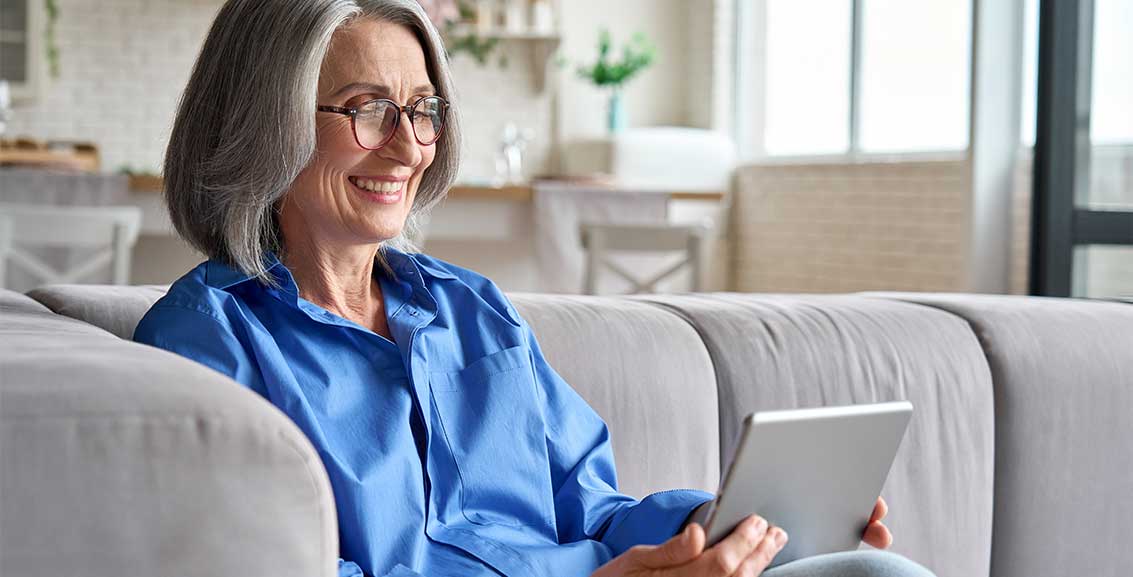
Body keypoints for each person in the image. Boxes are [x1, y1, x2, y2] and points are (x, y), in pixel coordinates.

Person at [134, 1, 936, 576]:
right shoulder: (206, 340)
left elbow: (591, 508)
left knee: (879, 573)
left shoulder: (472, 309)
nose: (407, 145)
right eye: (366, 108)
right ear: (264, 120)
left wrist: (716, 527)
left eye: (422, 109)